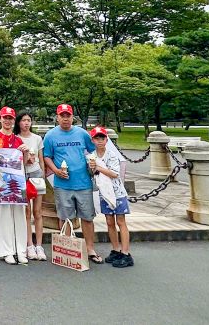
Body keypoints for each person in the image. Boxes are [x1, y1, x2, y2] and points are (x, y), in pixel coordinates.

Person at [42, 103, 101, 264]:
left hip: (83, 182)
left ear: (72, 117)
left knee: (87, 217)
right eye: (62, 115)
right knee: (65, 217)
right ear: (57, 117)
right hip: (63, 183)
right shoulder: (51, 136)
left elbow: (92, 150)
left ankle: (90, 249)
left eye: (68, 115)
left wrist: (93, 163)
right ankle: (68, 248)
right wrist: (55, 170)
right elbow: (47, 156)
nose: (65, 119)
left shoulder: (82, 133)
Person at [0, 106, 30, 265]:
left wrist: (25, 152)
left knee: (20, 216)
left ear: (14, 121)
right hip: (1, 183)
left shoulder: (18, 140)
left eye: (10, 118)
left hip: (17, 184)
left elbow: (24, 164)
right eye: (5, 118)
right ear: (0, 119)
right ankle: (6, 251)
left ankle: (21, 250)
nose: (7, 121)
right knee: (4, 216)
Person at [90, 126, 133, 268]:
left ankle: (126, 252)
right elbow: (92, 174)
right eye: (97, 138)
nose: (100, 141)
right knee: (109, 221)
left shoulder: (112, 155)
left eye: (102, 138)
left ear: (106, 139)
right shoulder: (92, 156)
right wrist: (92, 169)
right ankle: (115, 249)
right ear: (93, 140)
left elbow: (115, 173)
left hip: (117, 192)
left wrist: (97, 168)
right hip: (104, 192)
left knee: (120, 221)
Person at [16, 110, 46, 261]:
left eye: (28, 120)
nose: (26, 123)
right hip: (22, 175)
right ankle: (29, 244)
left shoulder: (37, 138)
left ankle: (39, 245)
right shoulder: (15, 139)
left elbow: (41, 159)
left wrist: (43, 175)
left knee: (38, 211)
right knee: (26, 212)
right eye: (23, 120)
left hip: (36, 175)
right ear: (19, 122)